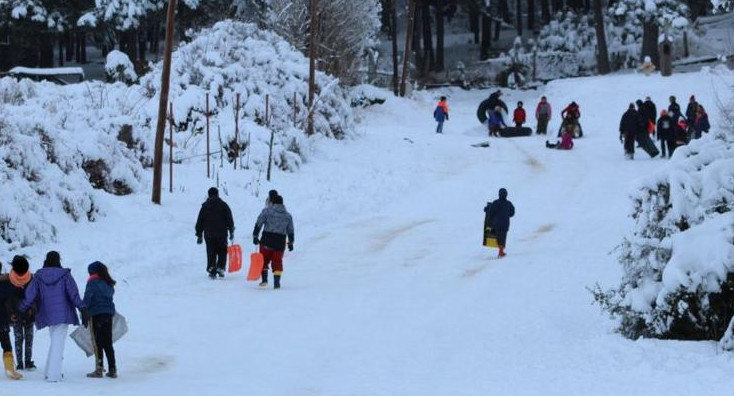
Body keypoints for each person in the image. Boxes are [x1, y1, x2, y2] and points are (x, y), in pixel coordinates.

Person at [19, 251, 87, 383]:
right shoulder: (65, 275)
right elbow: (74, 295)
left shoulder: (38, 277)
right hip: (63, 314)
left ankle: (49, 372)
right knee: (58, 344)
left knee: (55, 343)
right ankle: (53, 376)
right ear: (58, 260)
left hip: (48, 314)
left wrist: (21, 308)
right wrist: (82, 307)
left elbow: (30, 295)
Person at [83, 262, 117, 379]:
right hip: (108, 314)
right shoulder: (108, 282)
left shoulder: (92, 282)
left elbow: (87, 298)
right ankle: (113, 369)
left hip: (96, 315)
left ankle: (99, 369)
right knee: (108, 342)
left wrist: (84, 311)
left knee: (98, 343)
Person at [253, 195, 294, 290]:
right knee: (277, 262)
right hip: (280, 243)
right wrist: (291, 242)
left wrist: (255, 235)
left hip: (266, 241)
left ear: (273, 202)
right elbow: (290, 230)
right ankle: (276, 283)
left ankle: (264, 281)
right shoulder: (288, 216)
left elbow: (259, 223)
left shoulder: (267, 211)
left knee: (263, 260)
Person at [195, 187, 235, 279]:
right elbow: (229, 219)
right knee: (222, 250)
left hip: (209, 233)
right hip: (222, 233)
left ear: (208, 195)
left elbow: (200, 221)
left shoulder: (205, 206)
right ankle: (220, 267)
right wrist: (231, 230)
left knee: (211, 250)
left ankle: (212, 268)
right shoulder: (224, 205)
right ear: (217, 194)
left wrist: (199, 234)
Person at [7, 256, 35, 372]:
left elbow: (35, 295)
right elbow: (6, 299)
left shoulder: (30, 278)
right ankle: (22, 362)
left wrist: (32, 309)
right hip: (18, 314)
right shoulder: (9, 280)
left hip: (25, 314)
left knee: (24, 339)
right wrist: (11, 313)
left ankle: (25, 362)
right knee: (23, 339)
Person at [0, 261, 22, 380]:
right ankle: (10, 369)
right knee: (6, 346)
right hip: (1, 319)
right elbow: (9, 300)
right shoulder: (5, 284)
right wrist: (12, 313)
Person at [485, 188, 515, 258]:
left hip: (496, 224)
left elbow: (490, 212)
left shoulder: (495, 203)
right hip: (505, 224)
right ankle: (501, 252)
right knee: (503, 237)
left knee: (498, 237)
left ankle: (500, 251)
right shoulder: (509, 204)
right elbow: (512, 213)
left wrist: (486, 209)